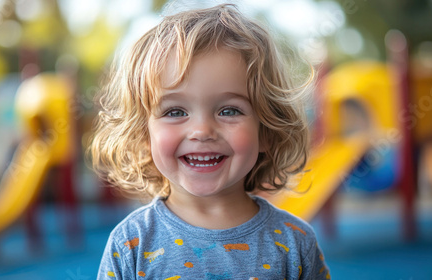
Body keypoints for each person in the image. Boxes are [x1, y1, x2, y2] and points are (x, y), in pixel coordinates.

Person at [90, 4, 330, 279]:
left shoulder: (294, 243)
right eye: (175, 112)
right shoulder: (131, 243)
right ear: (144, 135)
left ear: (266, 131)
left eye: (229, 110)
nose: (202, 131)